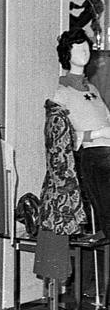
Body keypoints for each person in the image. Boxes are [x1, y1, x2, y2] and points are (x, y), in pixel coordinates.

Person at [53, 28, 110, 237]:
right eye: (77, 45)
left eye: (85, 45)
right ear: (67, 53)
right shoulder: (61, 93)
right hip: (95, 157)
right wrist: (97, 134)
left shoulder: (92, 89)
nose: (84, 49)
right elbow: (61, 137)